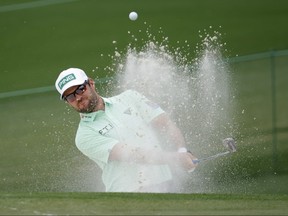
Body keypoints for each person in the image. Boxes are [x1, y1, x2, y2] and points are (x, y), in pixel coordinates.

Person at [55, 68, 198, 192]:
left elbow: (165, 124)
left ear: (91, 84)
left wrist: (182, 151)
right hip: (128, 195)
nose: (78, 97)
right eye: (70, 96)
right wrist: (175, 159)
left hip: (167, 184)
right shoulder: (84, 136)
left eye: (80, 89)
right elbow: (132, 154)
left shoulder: (130, 97)